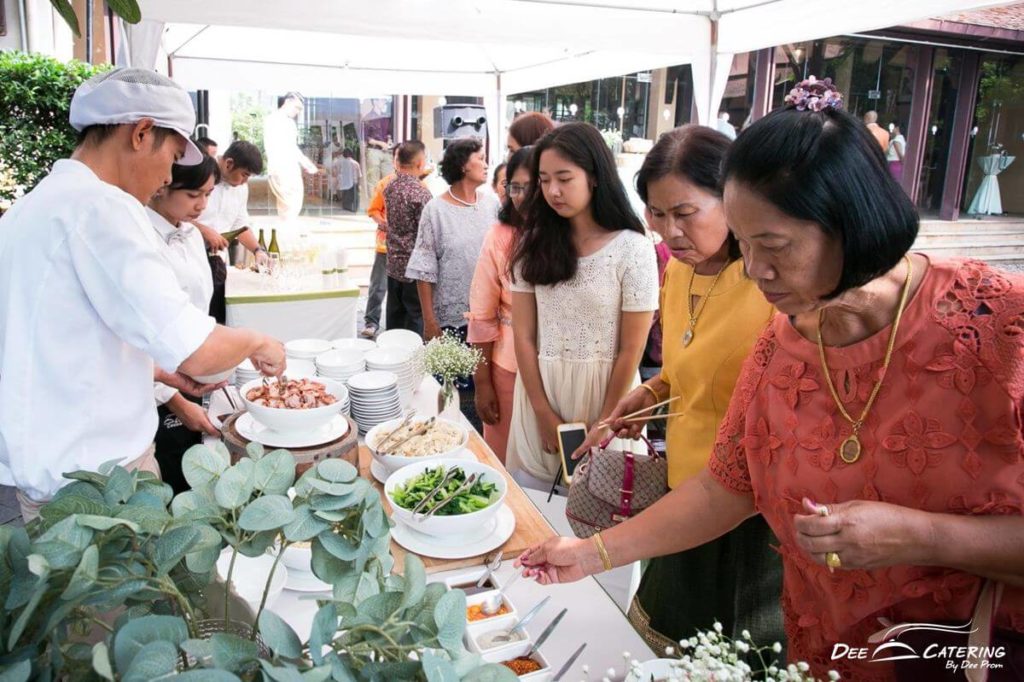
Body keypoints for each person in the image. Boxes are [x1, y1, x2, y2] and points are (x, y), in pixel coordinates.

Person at [518, 78, 1024, 681]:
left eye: (773, 245)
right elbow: (724, 489)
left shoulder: (995, 322)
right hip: (825, 653)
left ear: (850, 221)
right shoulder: (782, 344)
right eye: (745, 244)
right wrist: (587, 554)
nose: (754, 270)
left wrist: (926, 537)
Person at [0, 69, 285, 522]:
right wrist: (258, 342)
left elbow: (60, 341)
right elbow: (198, 352)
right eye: (173, 155)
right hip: (101, 481)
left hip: (53, 472)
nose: (169, 174)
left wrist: (159, 373)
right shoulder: (103, 208)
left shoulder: (32, 207)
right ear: (141, 133)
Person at [574, 125, 782, 654]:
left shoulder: (773, 287)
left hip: (750, 512)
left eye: (686, 212)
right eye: (657, 214)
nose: (671, 231)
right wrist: (653, 391)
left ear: (734, 200)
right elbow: (684, 365)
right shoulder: (680, 271)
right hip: (682, 487)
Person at [505, 122, 658, 487]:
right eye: (544, 180)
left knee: (603, 512)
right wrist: (542, 411)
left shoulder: (633, 248)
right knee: (535, 505)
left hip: (610, 395)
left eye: (564, 178)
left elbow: (631, 349)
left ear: (594, 176)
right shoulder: (533, 246)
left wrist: (606, 421)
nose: (553, 191)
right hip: (541, 391)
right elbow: (523, 336)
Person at [407, 138, 498, 432]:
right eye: (480, 158)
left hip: (490, 317)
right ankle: (452, 442)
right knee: (453, 394)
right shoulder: (436, 210)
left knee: (488, 391)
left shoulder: (492, 204)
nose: (486, 164)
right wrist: (429, 320)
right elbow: (424, 269)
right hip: (452, 320)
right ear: (462, 165)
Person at [147, 156, 222, 493]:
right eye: (193, 195)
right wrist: (175, 399)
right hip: (156, 387)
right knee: (171, 476)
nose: (202, 205)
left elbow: (198, 313)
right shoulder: (141, 239)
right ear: (162, 184)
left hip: (192, 374)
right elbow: (139, 336)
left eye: (208, 194)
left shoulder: (191, 234)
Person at [467, 146, 533, 462]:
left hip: (561, 376)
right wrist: (482, 383)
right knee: (503, 465)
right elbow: (482, 316)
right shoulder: (500, 236)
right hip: (508, 368)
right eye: (514, 187)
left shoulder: (572, 237)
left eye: (531, 186)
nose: (521, 196)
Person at [194, 140, 269, 323]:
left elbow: (239, 225)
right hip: (191, 254)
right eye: (244, 175)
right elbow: (175, 214)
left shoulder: (241, 189)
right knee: (196, 314)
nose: (245, 181)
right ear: (228, 163)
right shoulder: (200, 173)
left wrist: (258, 250)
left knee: (217, 316)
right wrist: (205, 231)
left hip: (217, 260)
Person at [383, 140, 432, 334]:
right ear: (420, 163)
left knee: (395, 315)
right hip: (415, 268)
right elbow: (428, 233)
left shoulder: (390, 187)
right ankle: (412, 360)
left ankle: (391, 354)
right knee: (415, 317)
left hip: (393, 262)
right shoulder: (421, 193)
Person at [363, 146, 402, 339]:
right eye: (396, 157)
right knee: (378, 285)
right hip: (384, 244)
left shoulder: (421, 187)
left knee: (401, 289)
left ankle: (398, 327)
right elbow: (373, 210)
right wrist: (383, 222)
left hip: (406, 248)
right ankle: (371, 321)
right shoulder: (384, 184)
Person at [264, 91, 318, 228]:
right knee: (290, 205)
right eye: (297, 108)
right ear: (287, 102)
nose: (298, 112)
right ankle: (288, 233)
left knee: (288, 206)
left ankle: (287, 233)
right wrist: (306, 162)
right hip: (283, 168)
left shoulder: (280, 120)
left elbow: (290, 147)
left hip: (286, 167)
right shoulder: (277, 120)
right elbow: (288, 147)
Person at [363, 98, 394, 190]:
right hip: (373, 151)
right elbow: (366, 138)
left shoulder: (386, 117)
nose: (384, 102)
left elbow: (389, 133)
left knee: (388, 180)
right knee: (373, 181)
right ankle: (374, 204)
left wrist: (389, 140)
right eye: (382, 100)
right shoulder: (368, 118)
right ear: (375, 102)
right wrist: (380, 143)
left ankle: (386, 204)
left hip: (386, 151)